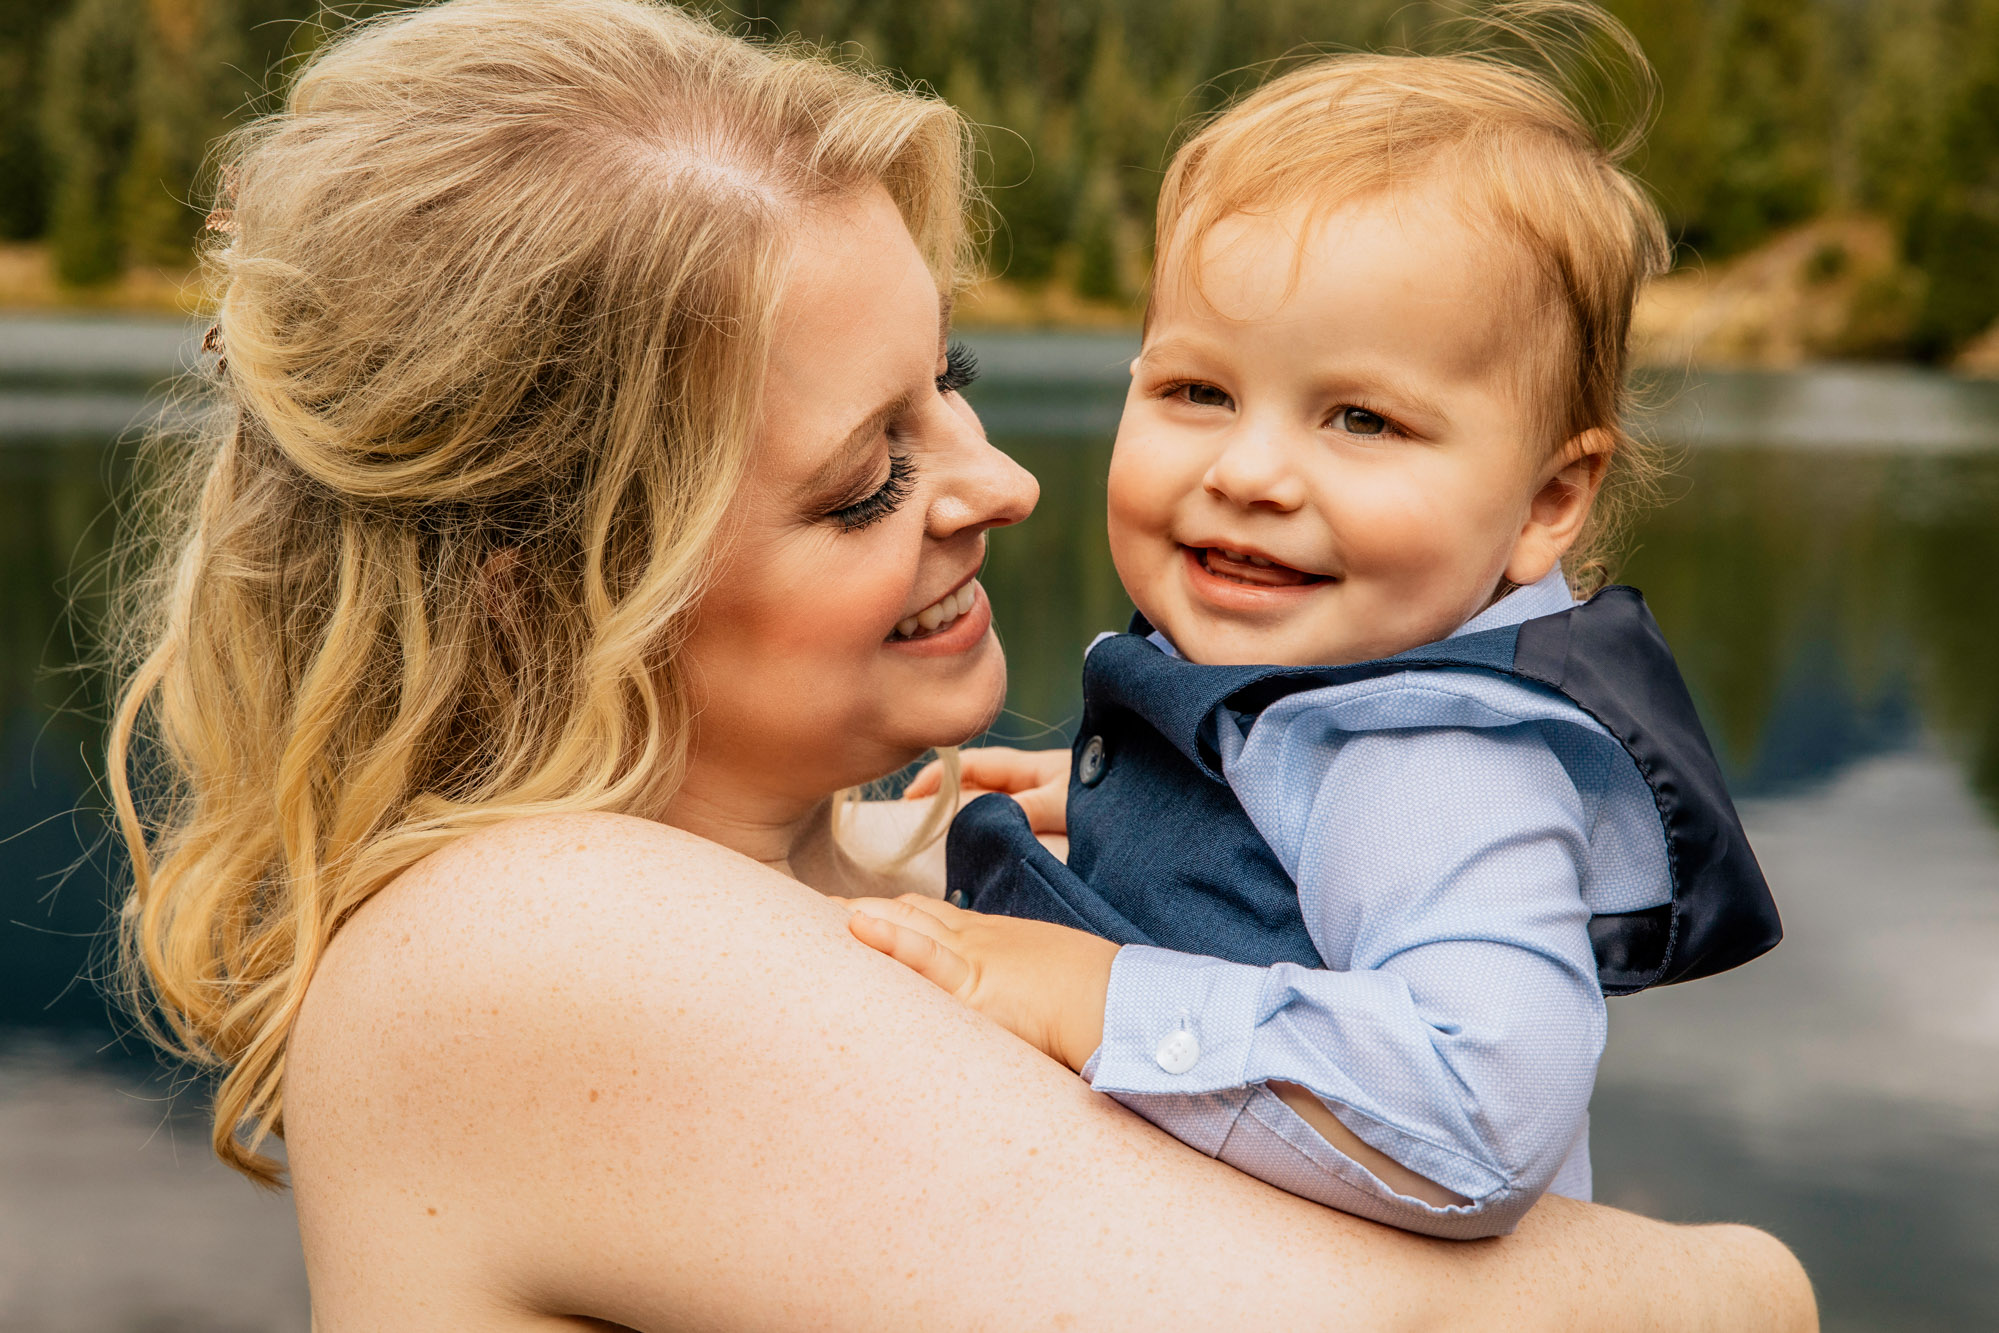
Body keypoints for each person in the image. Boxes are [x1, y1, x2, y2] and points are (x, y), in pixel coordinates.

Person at [107, 0, 1816, 1326]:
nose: (1000, 483)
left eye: (957, 377)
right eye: (865, 481)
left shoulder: (895, 867)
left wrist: (1174, 855)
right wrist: (1744, 1280)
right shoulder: (524, 930)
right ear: (535, 590)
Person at [847, 22, 1782, 1240]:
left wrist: (1094, 991)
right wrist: (1132, 800)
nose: (1249, 471)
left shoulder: (1439, 765)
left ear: (1549, 500)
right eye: (1198, 391)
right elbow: (1316, 837)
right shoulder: (1332, 711)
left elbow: (1485, 1113)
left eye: (1360, 419)